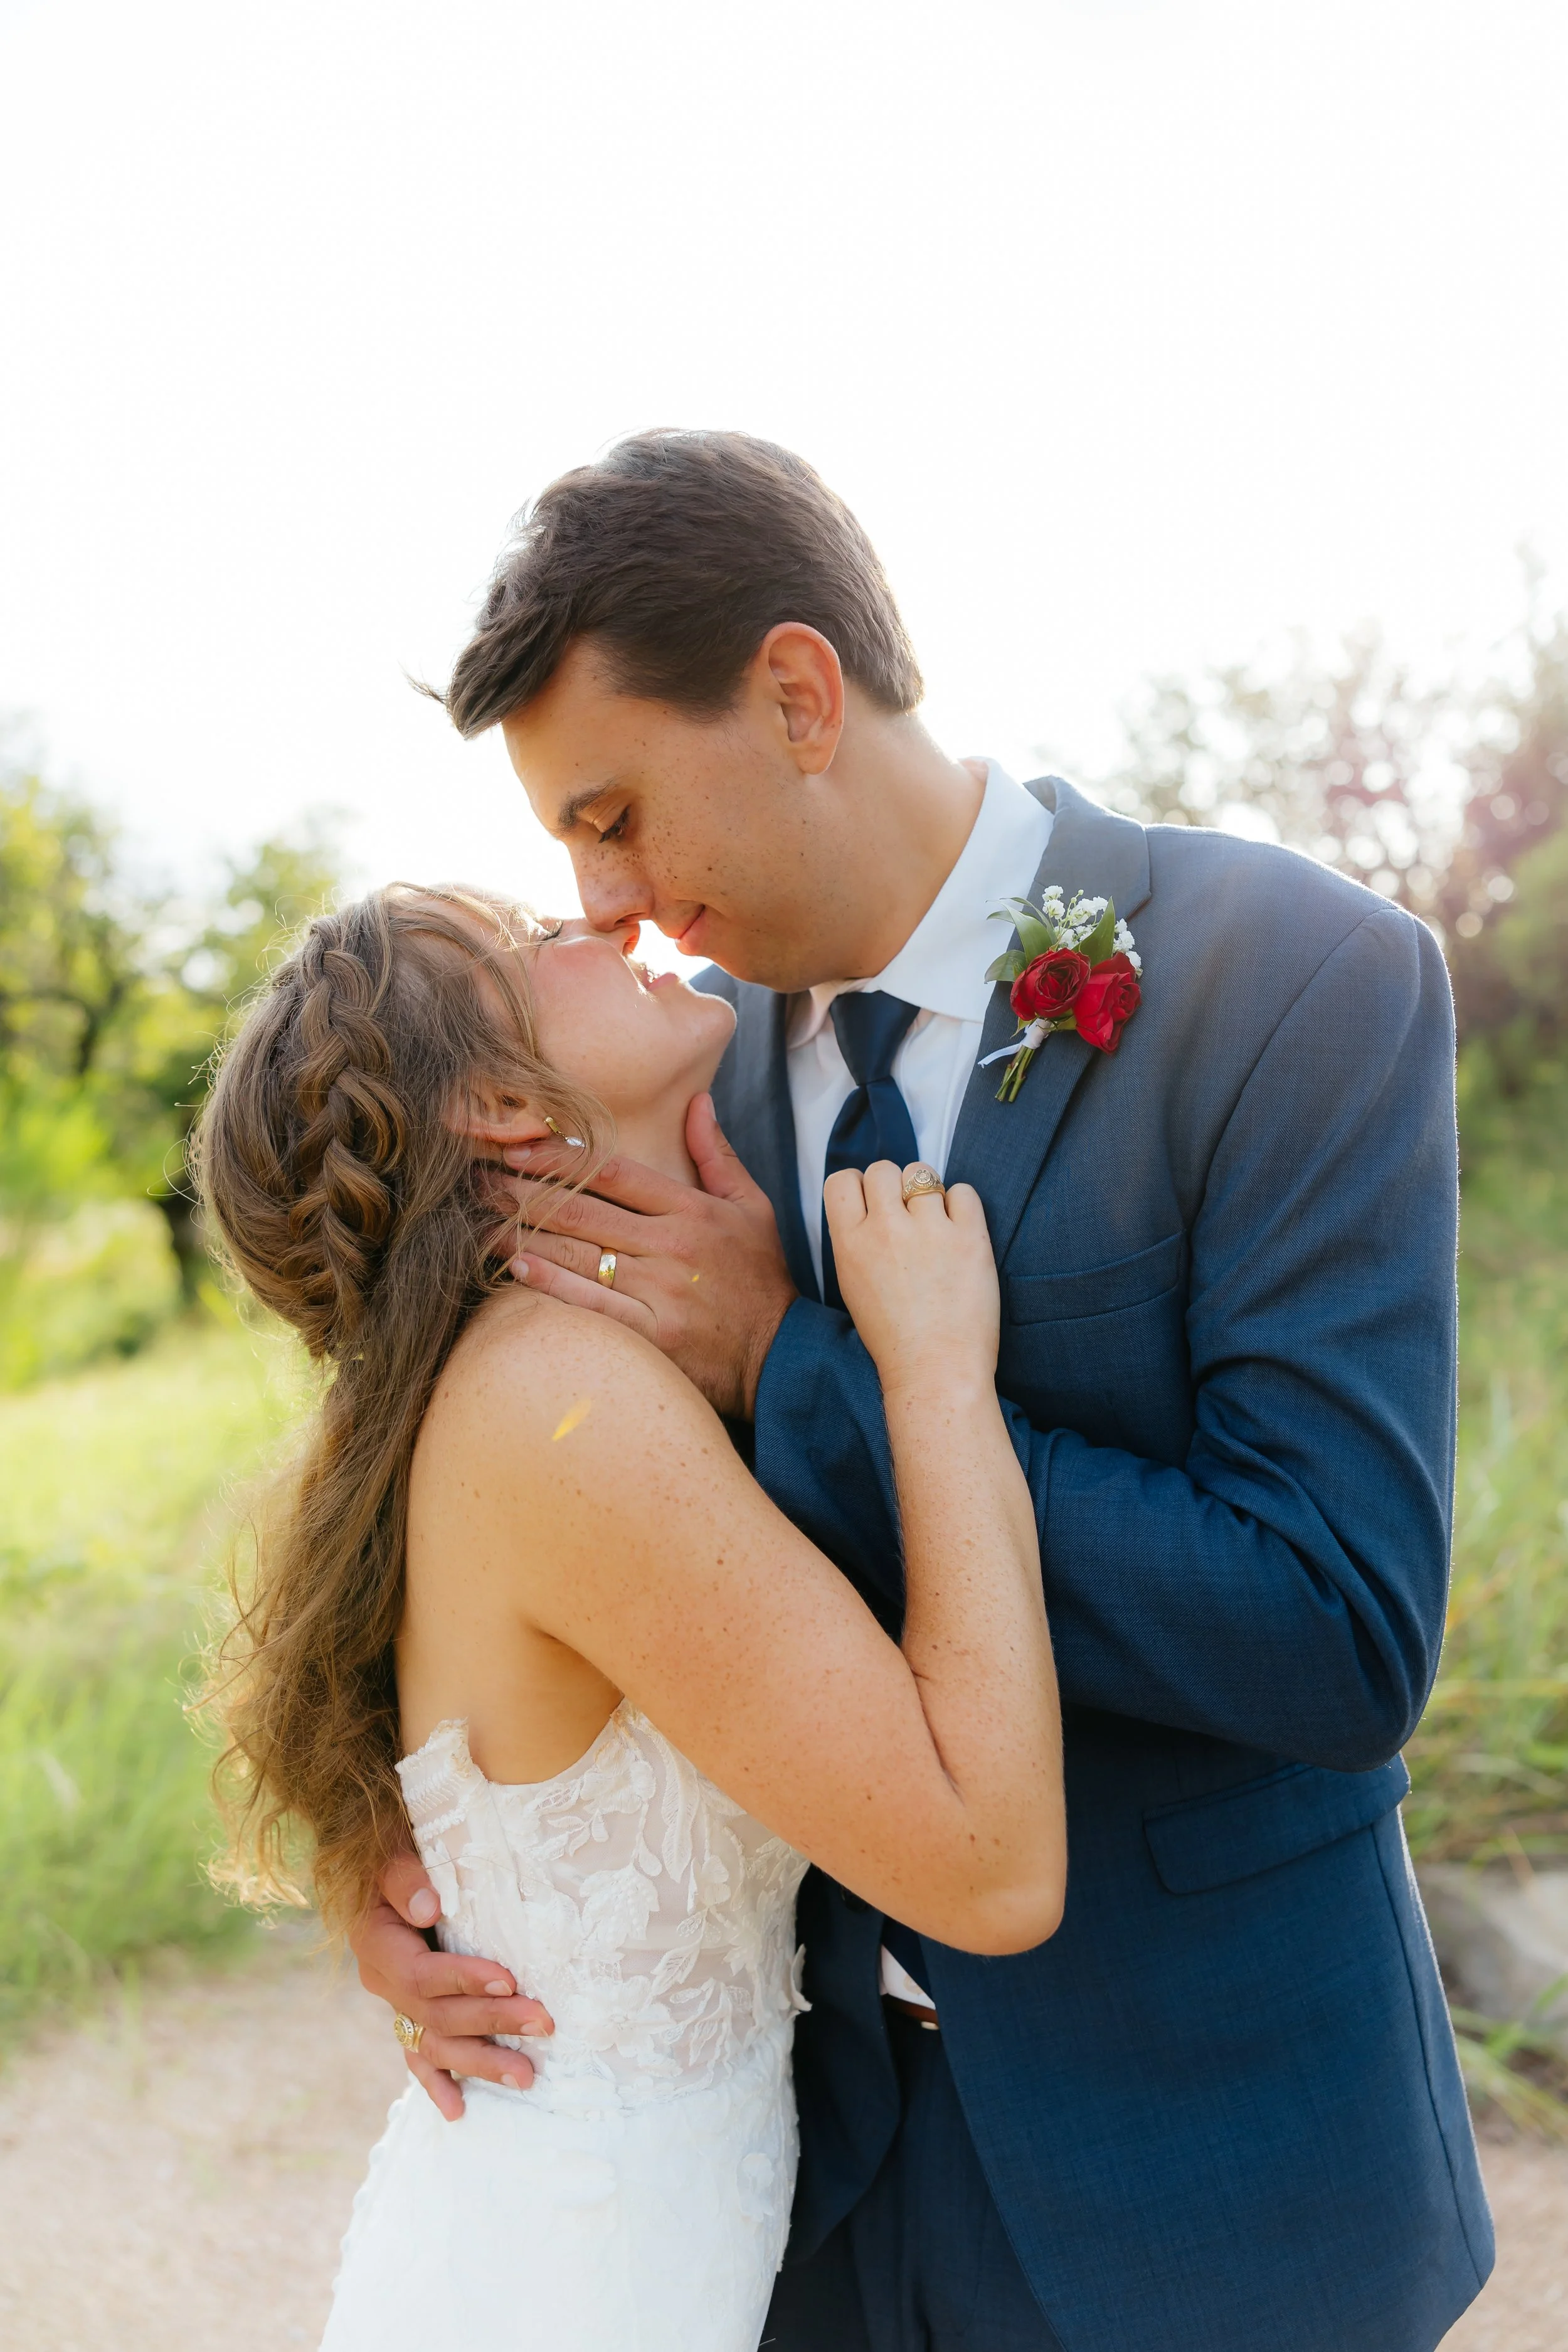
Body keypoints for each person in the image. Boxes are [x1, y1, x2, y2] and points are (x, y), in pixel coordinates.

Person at [351, 432, 1493, 2352]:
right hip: (815, 2183)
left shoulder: (1290, 978)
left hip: (1214, 2156)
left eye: (616, 811)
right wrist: (388, 1867)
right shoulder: (671, 1086)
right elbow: (446, 1482)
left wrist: (797, 1366)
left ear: (798, 693)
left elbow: (1338, 1624)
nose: (608, 896)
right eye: (569, 845)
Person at [193, 881, 1065, 2352]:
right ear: (497, 1110)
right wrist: (926, 1375)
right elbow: (989, 1871)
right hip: (580, 2276)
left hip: (630, 2236)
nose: (597, 922)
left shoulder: (545, 1371)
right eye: (537, 947)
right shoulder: (562, 1407)